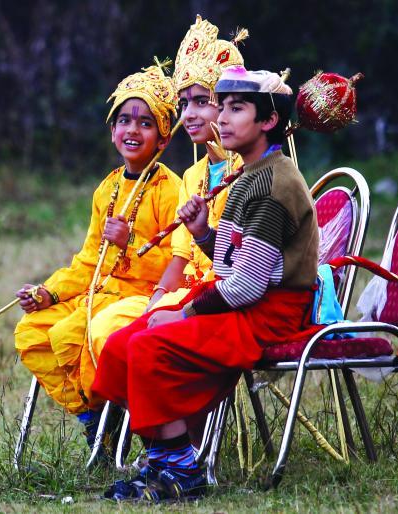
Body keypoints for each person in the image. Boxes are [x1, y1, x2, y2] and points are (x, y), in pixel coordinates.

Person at [92, 66, 321, 502]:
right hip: (242, 300)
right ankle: (165, 458)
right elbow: (238, 259)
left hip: (270, 314)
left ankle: (183, 470)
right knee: (124, 344)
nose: (224, 119)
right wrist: (202, 233)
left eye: (237, 109)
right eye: (224, 108)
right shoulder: (248, 174)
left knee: (150, 345)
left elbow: (249, 285)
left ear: (268, 121)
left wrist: (185, 312)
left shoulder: (274, 184)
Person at [13, 64, 181, 452]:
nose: (132, 131)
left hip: (139, 297)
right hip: (99, 292)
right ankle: (95, 419)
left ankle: (115, 420)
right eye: (124, 121)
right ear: (112, 132)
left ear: (162, 137)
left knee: (69, 335)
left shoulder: (170, 189)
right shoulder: (106, 188)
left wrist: (130, 242)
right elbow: (90, 260)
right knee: (32, 330)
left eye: (145, 123)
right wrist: (49, 293)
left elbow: (180, 262)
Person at [87, 16, 247, 377]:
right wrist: (157, 299)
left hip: (226, 297)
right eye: (184, 103)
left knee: (139, 338)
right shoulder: (194, 176)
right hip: (181, 292)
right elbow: (179, 257)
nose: (188, 114)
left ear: (228, 104)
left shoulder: (249, 172)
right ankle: (129, 430)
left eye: (201, 102)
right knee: (105, 328)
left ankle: (172, 433)